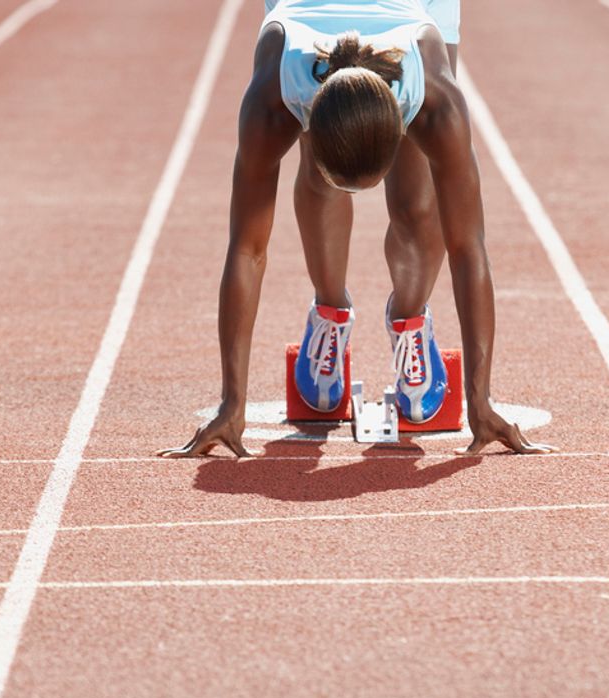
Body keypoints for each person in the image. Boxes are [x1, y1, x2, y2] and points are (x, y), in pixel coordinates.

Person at [160, 0, 550, 458]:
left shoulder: (435, 101)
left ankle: (411, 320)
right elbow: (247, 248)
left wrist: (481, 402)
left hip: (412, 9)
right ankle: (329, 312)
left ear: (404, 117)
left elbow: (468, 246)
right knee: (321, 182)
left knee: (418, 197)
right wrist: (232, 402)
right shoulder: (273, 97)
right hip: (306, 20)